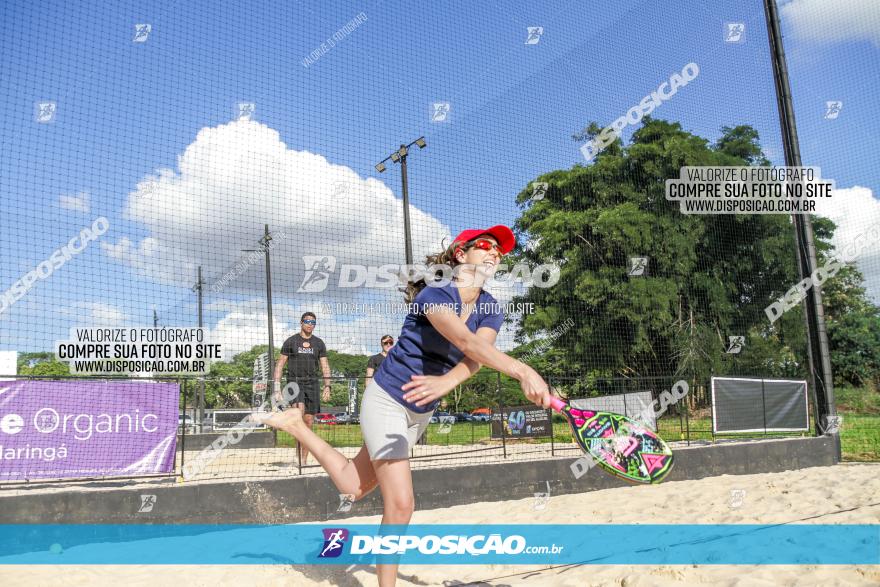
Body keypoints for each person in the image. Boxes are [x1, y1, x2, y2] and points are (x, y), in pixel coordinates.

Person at [255, 225, 552, 587]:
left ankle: (297, 427)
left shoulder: (490, 306)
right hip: (387, 399)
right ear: (461, 254)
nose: (495, 253)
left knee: (353, 487)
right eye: (487, 245)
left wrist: (448, 381)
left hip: (421, 408)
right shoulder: (435, 293)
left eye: (501, 252)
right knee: (402, 503)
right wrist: (522, 370)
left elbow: (478, 355)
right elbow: (465, 342)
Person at [272, 311, 331, 465]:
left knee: (308, 423)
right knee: (299, 415)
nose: (310, 324)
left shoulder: (318, 343)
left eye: (313, 322)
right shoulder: (291, 341)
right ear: (301, 322)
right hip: (294, 383)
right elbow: (280, 364)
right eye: (307, 321)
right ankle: (298, 459)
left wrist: (327, 386)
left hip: (312, 384)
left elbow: (324, 365)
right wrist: (277, 387)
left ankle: (302, 461)